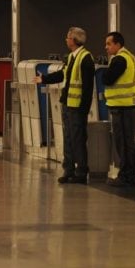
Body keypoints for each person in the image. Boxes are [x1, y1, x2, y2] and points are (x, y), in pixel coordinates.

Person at [35, 27, 94, 184]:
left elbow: (88, 87)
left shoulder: (86, 58)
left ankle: (81, 172)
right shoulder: (70, 58)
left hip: (78, 107)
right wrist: (44, 79)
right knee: (68, 138)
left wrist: (84, 109)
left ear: (75, 40)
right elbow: (63, 74)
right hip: (67, 103)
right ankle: (68, 169)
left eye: (68, 38)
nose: (66, 40)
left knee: (78, 139)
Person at [102, 31, 135, 187]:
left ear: (118, 44)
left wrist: (105, 73)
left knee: (122, 142)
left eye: (109, 44)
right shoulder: (130, 57)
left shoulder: (119, 60)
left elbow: (107, 79)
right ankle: (129, 174)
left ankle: (126, 175)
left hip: (121, 106)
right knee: (127, 141)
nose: (106, 47)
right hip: (127, 105)